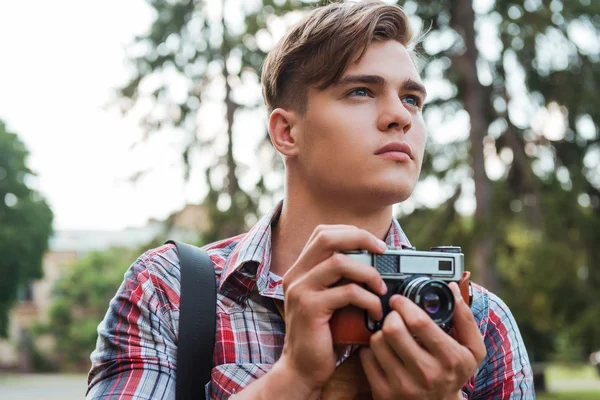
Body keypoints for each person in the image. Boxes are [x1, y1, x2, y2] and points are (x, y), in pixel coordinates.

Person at [86, 1, 534, 399]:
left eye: (412, 98)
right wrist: (292, 378)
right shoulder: (170, 291)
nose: (400, 116)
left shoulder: (480, 321)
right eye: (361, 91)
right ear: (287, 132)